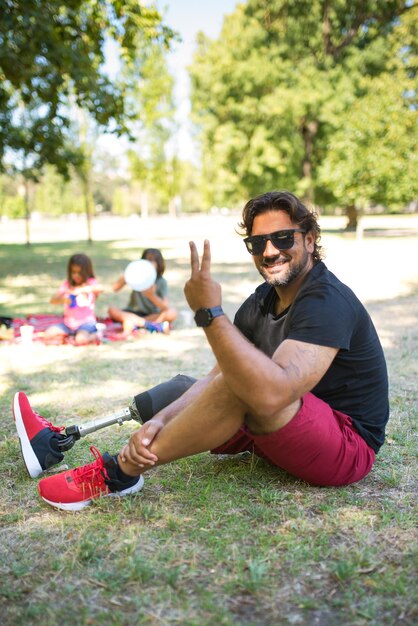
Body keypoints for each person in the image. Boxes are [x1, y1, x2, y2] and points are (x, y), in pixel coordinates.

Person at [13, 191, 389, 511]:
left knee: (242, 385)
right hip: (281, 429)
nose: (270, 251)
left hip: (344, 444)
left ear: (309, 239)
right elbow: (214, 377)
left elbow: (273, 393)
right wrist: (159, 421)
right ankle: (59, 438)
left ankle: (119, 474)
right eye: (258, 243)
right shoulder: (262, 300)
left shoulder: (326, 301)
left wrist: (209, 314)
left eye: (284, 238)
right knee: (184, 387)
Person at [108, 248, 177, 335]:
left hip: (151, 314)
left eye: (151, 261)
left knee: (172, 313)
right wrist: (124, 277)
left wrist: (151, 296)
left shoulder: (161, 281)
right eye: (146, 260)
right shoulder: (136, 276)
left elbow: (165, 307)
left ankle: (136, 323)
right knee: (112, 310)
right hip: (132, 312)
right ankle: (151, 325)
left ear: (158, 264)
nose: (148, 263)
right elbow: (115, 289)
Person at [44, 253, 104, 345]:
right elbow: (53, 300)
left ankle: (97, 335)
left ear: (86, 272)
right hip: (68, 324)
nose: (76, 275)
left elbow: (100, 288)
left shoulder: (90, 283)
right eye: (73, 272)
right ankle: (71, 337)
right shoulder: (67, 285)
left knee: (81, 340)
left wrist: (81, 290)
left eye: (79, 273)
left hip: (86, 323)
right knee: (48, 335)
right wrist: (64, 299)